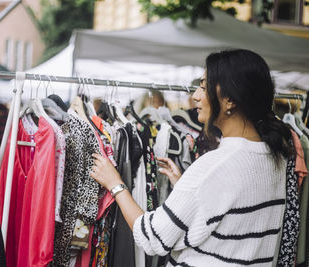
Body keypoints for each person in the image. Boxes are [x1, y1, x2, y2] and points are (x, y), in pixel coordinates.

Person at [90, 49, 293, 266]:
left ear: (230, 100)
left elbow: (152, 238)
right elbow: (232, 223)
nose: (195, 95)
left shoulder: (214, 166)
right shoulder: (275, 157)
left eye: (204, 87)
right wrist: (185, 185)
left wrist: (116, 185)